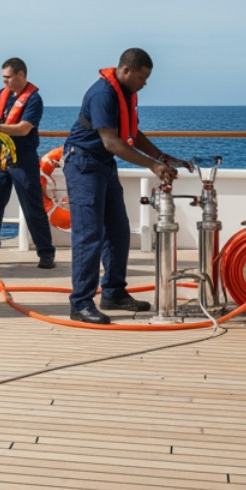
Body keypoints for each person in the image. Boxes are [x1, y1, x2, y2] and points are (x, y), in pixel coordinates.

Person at [60, 48, 186, 325]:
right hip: (83, 164)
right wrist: (153, 166)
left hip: (103, 165)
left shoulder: (126, 93)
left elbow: (131, 133)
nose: (144, 83)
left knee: (118, 231)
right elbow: (112, 142)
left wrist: (161, 156)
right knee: (88, 235)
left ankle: (114, 292)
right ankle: (80, 303)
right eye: (142, 77)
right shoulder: (103, 94)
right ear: (126, 70)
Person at [0, 58, 56, 270]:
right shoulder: (1, 94)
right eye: (3, 78)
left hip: (23, 158)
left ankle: (46, 254)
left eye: (8, 77)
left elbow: (24, 128)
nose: (5, 82)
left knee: (32, 205)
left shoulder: (34, 99)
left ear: (20, 75)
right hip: (1, 156)